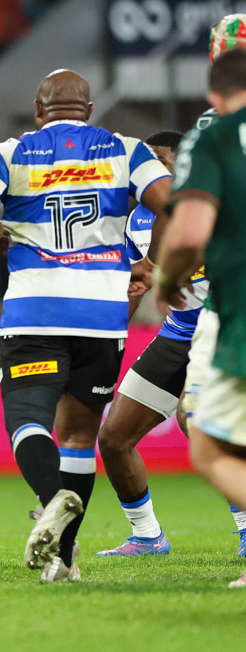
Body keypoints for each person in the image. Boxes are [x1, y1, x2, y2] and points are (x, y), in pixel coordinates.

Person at [0, 69, 172, 582]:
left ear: (37, 109)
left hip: (37, 309)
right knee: (77, 435)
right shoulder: (128, 150)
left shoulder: (9, 153)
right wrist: (151, 264)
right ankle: (64, 561)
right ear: (90, 111)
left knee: (27, 420)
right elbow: (177, 206)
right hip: (103, 315)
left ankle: (53, 500)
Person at [154, 48, 246, 588]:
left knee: (208, 444)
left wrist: (168, 280)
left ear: (213, 96)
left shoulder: (212, 138)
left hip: (236, 307)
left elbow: (188, 233)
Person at [94, 130, 199, 556]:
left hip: (228, 331)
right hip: (177, 336)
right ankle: (147, 535)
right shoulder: (136, 218)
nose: (148, 169)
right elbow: (136, 288)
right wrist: (104, 348)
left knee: (203, 423)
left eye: (157, 158)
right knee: (114, 437)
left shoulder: (215, 199)